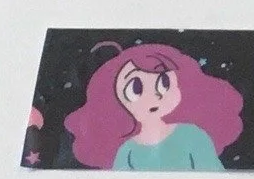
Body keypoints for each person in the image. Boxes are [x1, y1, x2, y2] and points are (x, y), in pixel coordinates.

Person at [65, 42, 243, 170]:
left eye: (164, 82)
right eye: (136, 89)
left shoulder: (192, 136)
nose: (154, 97)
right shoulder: (127, 151)